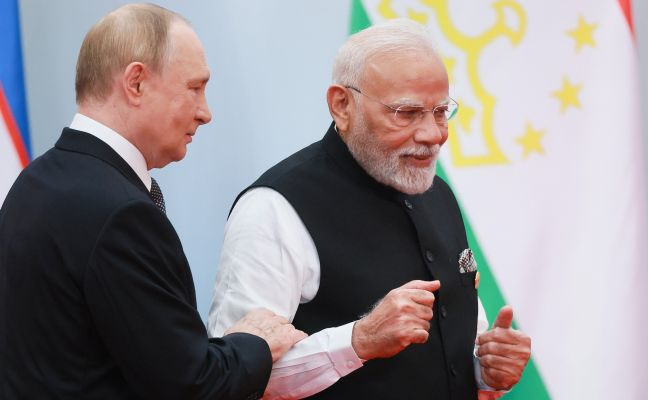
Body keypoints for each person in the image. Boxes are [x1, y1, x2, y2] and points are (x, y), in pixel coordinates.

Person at [208, 19, 531, 399]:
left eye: (441, 111)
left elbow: (454, 351)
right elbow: (233, 380)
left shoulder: (438, 193)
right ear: (341, 105)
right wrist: (359, 340)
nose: (433, 134)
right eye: (406, 113)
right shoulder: (274, 208)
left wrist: (486, 367)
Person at [0, 4, 306, 399]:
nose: (206, 113)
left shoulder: (35, 181)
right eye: (194, 88)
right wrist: (256, 343)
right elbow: (191, 385)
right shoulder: (120, 213)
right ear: (136, 83)